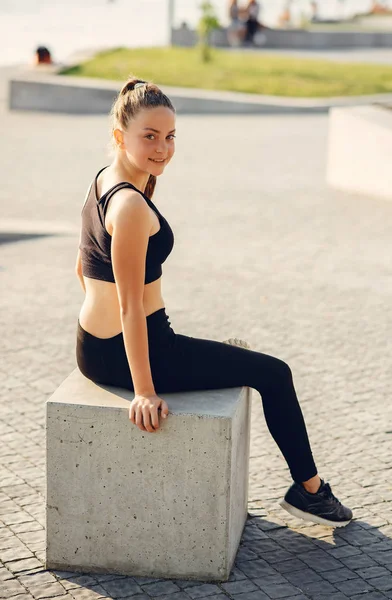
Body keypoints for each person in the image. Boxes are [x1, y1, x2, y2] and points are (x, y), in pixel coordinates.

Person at [75, 77, 353, 528]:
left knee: (239, 358)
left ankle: (309, 489)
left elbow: (82, 265)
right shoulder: (129, 207)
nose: (162, 148)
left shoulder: (108, 179)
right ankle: (312, 493)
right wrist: (144, 391)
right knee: (274, 373)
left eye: (170, 137)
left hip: (96, 343)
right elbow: (129, 308)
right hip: (126, 350)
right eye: (150, 136)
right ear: (119, 136)